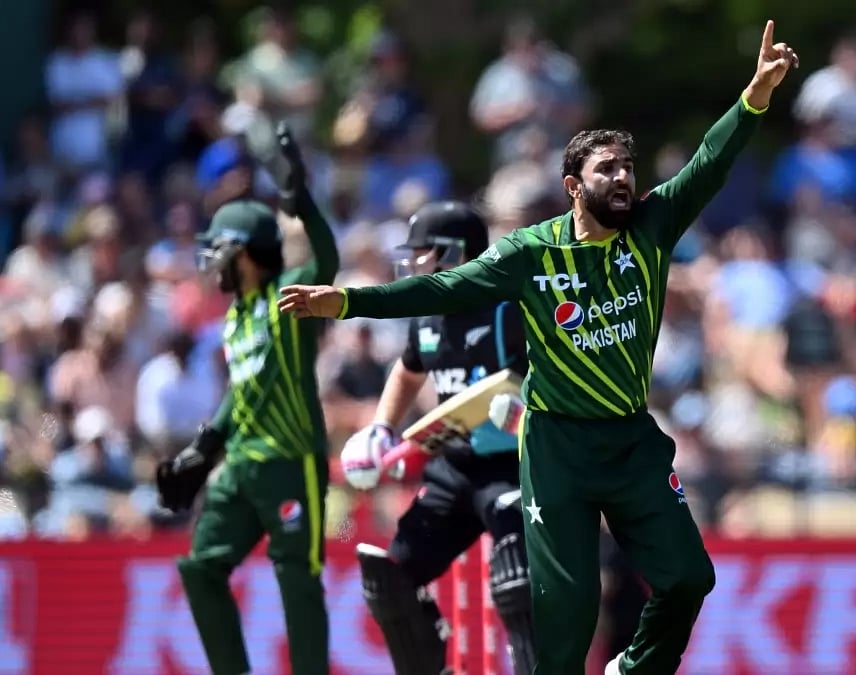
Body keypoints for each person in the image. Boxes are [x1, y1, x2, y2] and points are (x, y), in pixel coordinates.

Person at [277, 20, 799, 675]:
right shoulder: (531, 252)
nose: (623, 179)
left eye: (628, 168)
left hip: (631, 439)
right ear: (573, 184)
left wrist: (754, 96)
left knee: (690, 577)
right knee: (565, 615)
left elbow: (710, 162)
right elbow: (441, 287)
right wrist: (347, 301)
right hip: (557, 449)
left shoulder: (653, 226)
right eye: (607, 168)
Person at [154, 123, 338, 675]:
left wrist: (298, 198)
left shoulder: (292, 300)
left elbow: (327, 261)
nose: (210, 264)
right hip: (241, 466)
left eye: (219, 251)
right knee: (201, 567)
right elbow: (243, 392)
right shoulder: (233, 318)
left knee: (297, 580)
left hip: (290, 460)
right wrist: (205, 447)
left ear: (247, 253)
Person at [343, 200, 536, 674]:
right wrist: (381, 427)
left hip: (512, 467)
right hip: (452, 468)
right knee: (389, 580)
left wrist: (526, 406)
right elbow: (407, 372)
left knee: (517, 584)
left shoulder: (507, 309)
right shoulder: (427, 316)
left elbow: (554, 373)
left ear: (453, 254)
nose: (414, 264)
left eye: (423, 252)